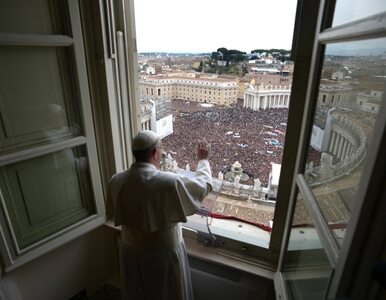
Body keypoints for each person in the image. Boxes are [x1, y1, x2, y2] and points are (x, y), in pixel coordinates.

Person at [108, 130, 212, 300]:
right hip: (163, 257)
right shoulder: (169, 182)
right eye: (161, 150)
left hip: (129, 254)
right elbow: (203, 186)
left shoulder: (116, 180)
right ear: (155, 153)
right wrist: (203, 160)